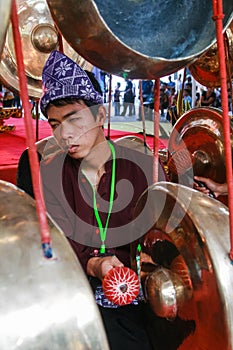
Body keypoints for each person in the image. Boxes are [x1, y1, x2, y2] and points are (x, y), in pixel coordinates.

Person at [17, 50, 168, 350]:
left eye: (74, 119)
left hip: (144, 297)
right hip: (78, 297)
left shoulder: (142, 167)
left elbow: (161, 235)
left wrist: (147, 259)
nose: (65, 134)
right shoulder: (50, 175)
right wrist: (96, 265)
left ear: (100, 115)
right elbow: (61, 244)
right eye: (55, 124)